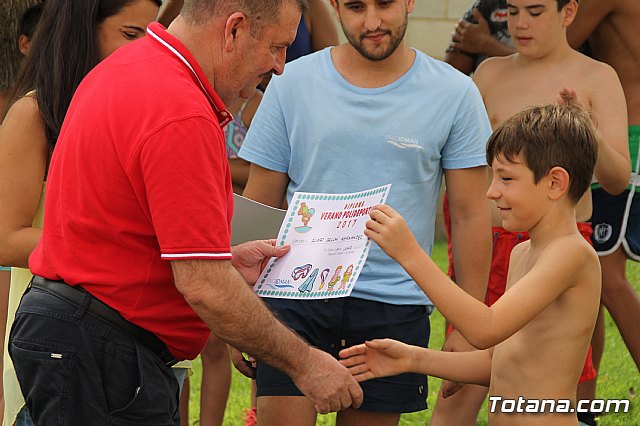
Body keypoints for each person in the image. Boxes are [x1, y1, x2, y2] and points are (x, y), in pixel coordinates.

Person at [6, 0, 364, 424]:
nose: (280, 66)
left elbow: (113, 229)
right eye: (277, 46)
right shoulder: (180, 108)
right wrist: (307, 363)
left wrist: (222, 260)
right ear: (234, 30)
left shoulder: (129, 67)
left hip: (76, 336)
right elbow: (204, 286)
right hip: (105, 350)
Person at [238, 0, 492, 424]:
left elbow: (469, 215)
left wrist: (467, 327)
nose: (372, 22)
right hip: (293, 295)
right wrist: (241, 312)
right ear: (335, 5)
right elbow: (260, 198)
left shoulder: (455, 93)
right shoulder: (291, 83)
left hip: (394, 302)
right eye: (355, 6)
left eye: (385, 4)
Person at [341, 101, 602, 425]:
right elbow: (500, 361)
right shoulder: (523, 254)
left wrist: (409, 253)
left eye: (506, 178)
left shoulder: (571, 254)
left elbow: (485, 328)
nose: (491, 192)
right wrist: (411, 358)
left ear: (554, 183)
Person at [0, 1, 161, 425]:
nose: (145, 48)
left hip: (143, 341)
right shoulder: (32, 115)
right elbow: (6, 237)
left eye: (153, 36)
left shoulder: (145, 114)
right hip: (57, 346)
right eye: (130, 34)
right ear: (82, 31)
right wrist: (120, 240)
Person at [444, 0, 514, 75]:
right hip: (486, 83)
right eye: (515, 12)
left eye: (528, 11)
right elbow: (450, 75)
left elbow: (527, 65)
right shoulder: (485, 5)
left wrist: (490, 46)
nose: (521, 24)